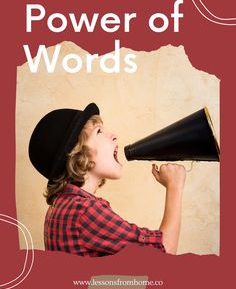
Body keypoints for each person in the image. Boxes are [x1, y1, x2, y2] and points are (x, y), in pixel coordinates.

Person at [29, 102, 186, 257]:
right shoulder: (85, 211)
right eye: (99, 132)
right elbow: (164, 253)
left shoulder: (59, 206)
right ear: (77, 154)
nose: (114, 136)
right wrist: (175, 186)